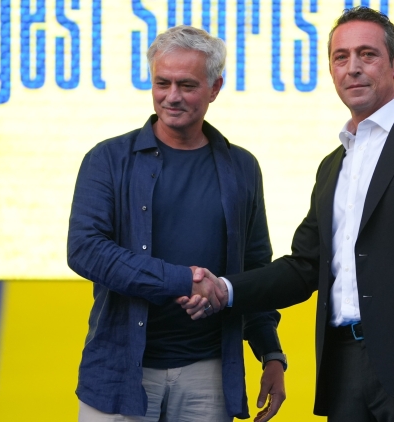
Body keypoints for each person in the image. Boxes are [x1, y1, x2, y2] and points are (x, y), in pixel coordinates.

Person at [182, 7, 394, 422]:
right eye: (341, 57)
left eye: (367, 54)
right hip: (343, 367)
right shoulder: (333, 165)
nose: (353, 68)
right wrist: (226, 289)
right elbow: (304, 267)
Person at [67, 25, 286, 422]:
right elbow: (85, 250)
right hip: (119, 373)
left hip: (209, 373)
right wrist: (182, 281)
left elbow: (255, 270)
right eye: (162, 83)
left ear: (215, 88)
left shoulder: (243, 167)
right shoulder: (107, 159)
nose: (172, 96)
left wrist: (270, 352)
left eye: (187, 85)